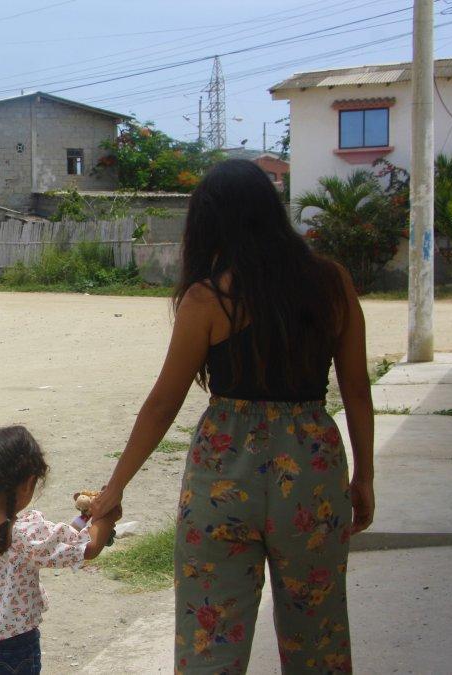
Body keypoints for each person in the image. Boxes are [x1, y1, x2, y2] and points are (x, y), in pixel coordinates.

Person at [91, 159, 375, 673]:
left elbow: (163, 402)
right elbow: (356, 390)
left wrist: (115, 488)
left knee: (210, 639)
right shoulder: (332, 283)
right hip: (311, 472)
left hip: (223, 475)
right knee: (319, 637)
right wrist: (365, 477)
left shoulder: (207, 298)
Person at [0, 426, 120, 675]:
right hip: (16, 647)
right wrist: (106, 518)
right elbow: (88, 547)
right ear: (29, 483)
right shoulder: (24, 534)